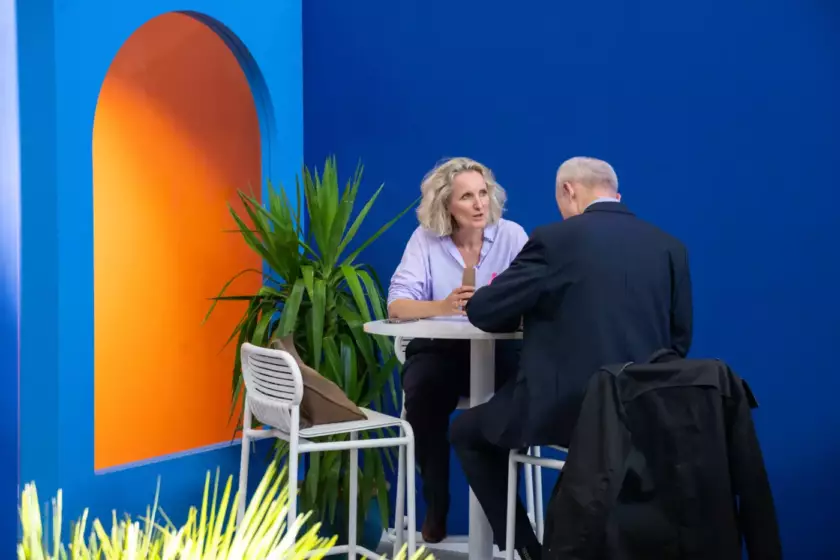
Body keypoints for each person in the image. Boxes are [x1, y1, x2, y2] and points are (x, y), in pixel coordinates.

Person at [451, 156, 693, 560]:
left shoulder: (555, 239)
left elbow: (486, 311)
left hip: (567, 412)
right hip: (645, 414)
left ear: (569, 190)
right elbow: (680, 339)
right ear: (614, 193)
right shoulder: (670, 247)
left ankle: (529, 550)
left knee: (466, 433)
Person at [388, 157, 528, 543]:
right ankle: (436, 503)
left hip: (500, 350)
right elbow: (397, 306)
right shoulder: (425, 240)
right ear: (446, 204)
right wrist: (444, 305)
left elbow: (536, 294)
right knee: (422, 390)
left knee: (519, 395)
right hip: (441, 351)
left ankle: (505, 520)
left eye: (483, 193)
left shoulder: (513, 236)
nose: (480, 204)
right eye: (467, 197)